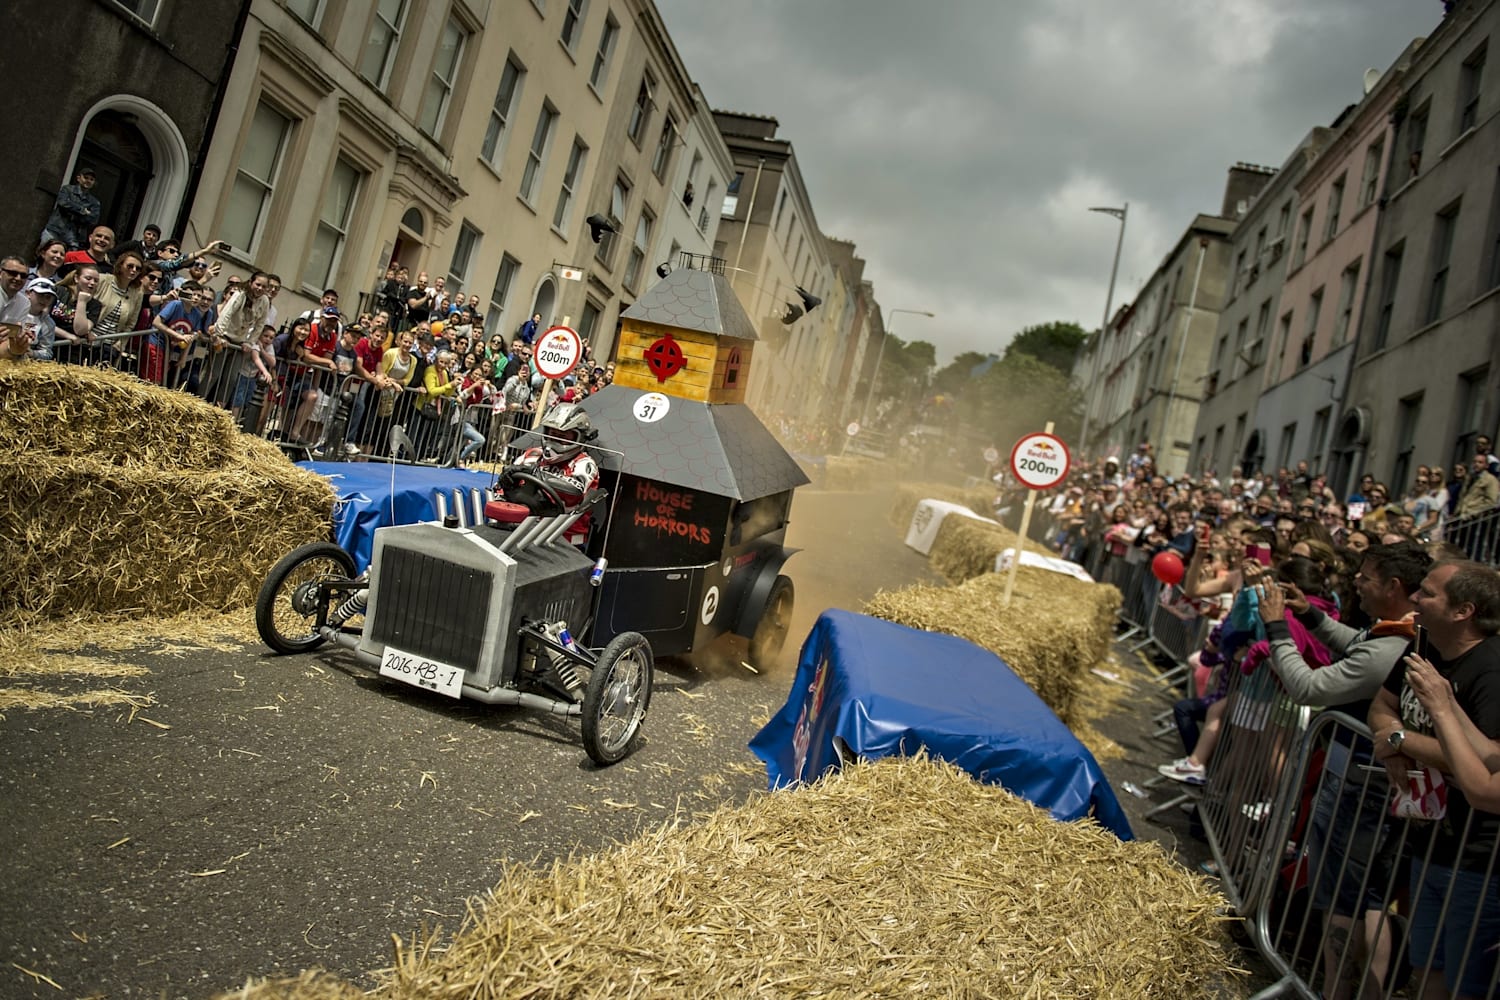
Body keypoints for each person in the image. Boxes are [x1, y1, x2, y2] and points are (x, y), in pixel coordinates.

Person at [1261, 542, 1431, 1000]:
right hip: (1361, 778)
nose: (1355, 581)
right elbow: (1356, 644)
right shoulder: (1395, 633)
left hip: (1362, 785)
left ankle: (1339, 990)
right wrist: (1311, 617)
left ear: (1393, 586)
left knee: (1349, 899)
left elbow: (1306, 686)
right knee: (1364, 897)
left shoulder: (1394, 646)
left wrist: (1278, 626)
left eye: (1365, 576)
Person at [1370, 560, 1500, 1000]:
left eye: (1426, 593)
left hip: (1479, 859)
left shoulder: (1492, 669)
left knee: (1466, 984)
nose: (1414, 600)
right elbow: (1486, 753)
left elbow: (1484, 785)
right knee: (1428, 970)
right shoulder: (1423, 647)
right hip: (1433, 842)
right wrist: (1396, 737)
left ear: (1463, 611)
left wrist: (1406, 738)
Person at [40, 167, 101, 251]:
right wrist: (82, 210)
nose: (88, 181)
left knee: (69, 261)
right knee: (44, 253)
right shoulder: (67, 190)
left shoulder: (94, 202)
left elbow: (93, 220)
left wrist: (72, 210)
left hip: (75, 235)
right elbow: (63, 203)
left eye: (91, 179)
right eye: (86, 178)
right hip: (55, 228)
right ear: (78, 178)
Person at [17, 277, 59, 361]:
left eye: (48, 297)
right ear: (28, 293)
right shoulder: (13, 312)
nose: (44, 300)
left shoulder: (48, 323)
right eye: (40, 295)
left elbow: (47, 352)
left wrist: (32, 353)